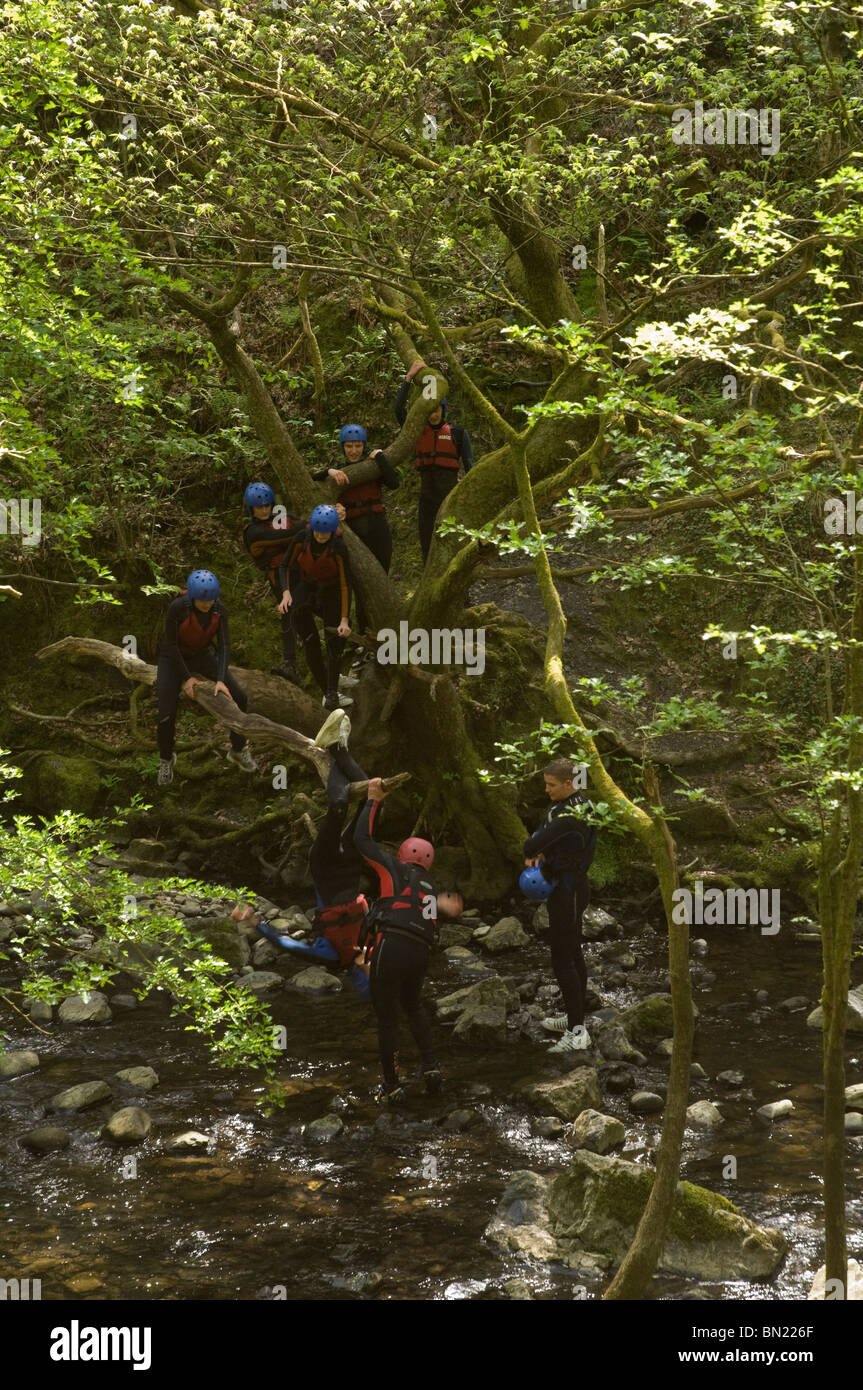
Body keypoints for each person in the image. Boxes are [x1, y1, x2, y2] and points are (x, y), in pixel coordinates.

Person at [252, 707, 372, 995]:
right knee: (373, 798)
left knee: (340, 807)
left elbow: (288, 944)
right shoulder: (374, 943)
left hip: (326, 868)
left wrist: (257, 924)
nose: (372, 961)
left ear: (359, 971)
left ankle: (330, 748)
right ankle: (338, 749)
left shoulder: (331, 957)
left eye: (370, 967)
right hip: (352, 866)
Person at [353, 778, 443, 1103]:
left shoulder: (393, 868)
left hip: (391, 946)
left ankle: (392, 1086)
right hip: (419, 952)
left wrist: (372, 800)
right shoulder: (430, 887)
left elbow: (361, 839)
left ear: (403, 854)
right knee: (413, 1005)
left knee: (387, 1018)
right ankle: (431, 1068)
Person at [523, 758, 598, 1054]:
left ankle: (578, 1032)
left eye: (551, 785)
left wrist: (537, 850)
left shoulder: (570, 816)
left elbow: (530, 845)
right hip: (567, 885)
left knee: (563, 958)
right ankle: (574, 1016)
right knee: (573, 951)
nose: (546, 790)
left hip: (569, 890)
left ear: (569, 783)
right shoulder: (581, 802)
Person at [156, 569, 257, 786]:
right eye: (202, 600)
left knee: (240, 696)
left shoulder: (219, 610)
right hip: (172, 657)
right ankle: (166, 758)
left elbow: (224, 645)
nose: (207, 604)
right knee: (166, 712)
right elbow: (171, 645)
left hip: (201, 655)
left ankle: (238, 749)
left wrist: (220, 679)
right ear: (192, 596)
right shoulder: (178, 608)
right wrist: (187, 678)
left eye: (210, 600)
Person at [394, 359, 474, 562]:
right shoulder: (418, 430)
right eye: (430, 410)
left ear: (443, 409)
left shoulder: (458, 433)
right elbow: (398, 411)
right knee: (427, 545)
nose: (434, 414)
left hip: (450, 495)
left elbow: (470, 466)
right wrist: (409, 378)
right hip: (427, 497)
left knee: (451, 543)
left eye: (437, 409)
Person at [277, 505, 352, 711]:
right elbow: (284, 566)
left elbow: (346, 585)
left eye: (325, 532)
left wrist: (344, 619)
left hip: (331, 591)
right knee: (310, 640)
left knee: (335, 638)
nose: (320, 535)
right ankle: (325, 691)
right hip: (307, 587)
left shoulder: (338, 547)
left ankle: (332, 689)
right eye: (318, 531)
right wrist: (286, 592)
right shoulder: (303, 538)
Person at [241, 482, 304, 682]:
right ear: (251, 509)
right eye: (260, 507)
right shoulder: (253, 532)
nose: (264, 510)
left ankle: (292, 662)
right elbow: (284, 535)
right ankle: (290, 662)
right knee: (289, 613)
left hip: (301, 570)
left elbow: (300, 523)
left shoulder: (281, 518)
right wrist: (311, 525)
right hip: (280, 577)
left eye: (267, 505)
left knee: (301, 611)